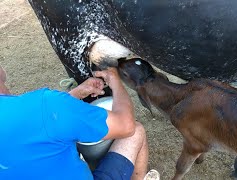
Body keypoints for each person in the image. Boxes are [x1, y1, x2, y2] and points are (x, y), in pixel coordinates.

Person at [0, 65, 156, 180]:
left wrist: (73, 95)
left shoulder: (45, 107)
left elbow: (35, 121)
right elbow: (125, 125)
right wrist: (116, 82)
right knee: (136, 131)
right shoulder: (46, 104)